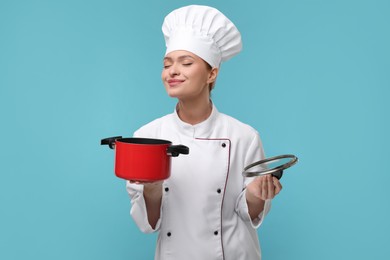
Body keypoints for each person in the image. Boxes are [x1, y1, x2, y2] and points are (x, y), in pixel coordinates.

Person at [126, 5, 282, 260]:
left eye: (186, 63)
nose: (173, 71)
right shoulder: (147, 136)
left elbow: (249, 212)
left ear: (212, 73)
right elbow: (148, 224)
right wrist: (152, 189)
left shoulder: (243, 136)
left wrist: (256, 195)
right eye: (167, 65)